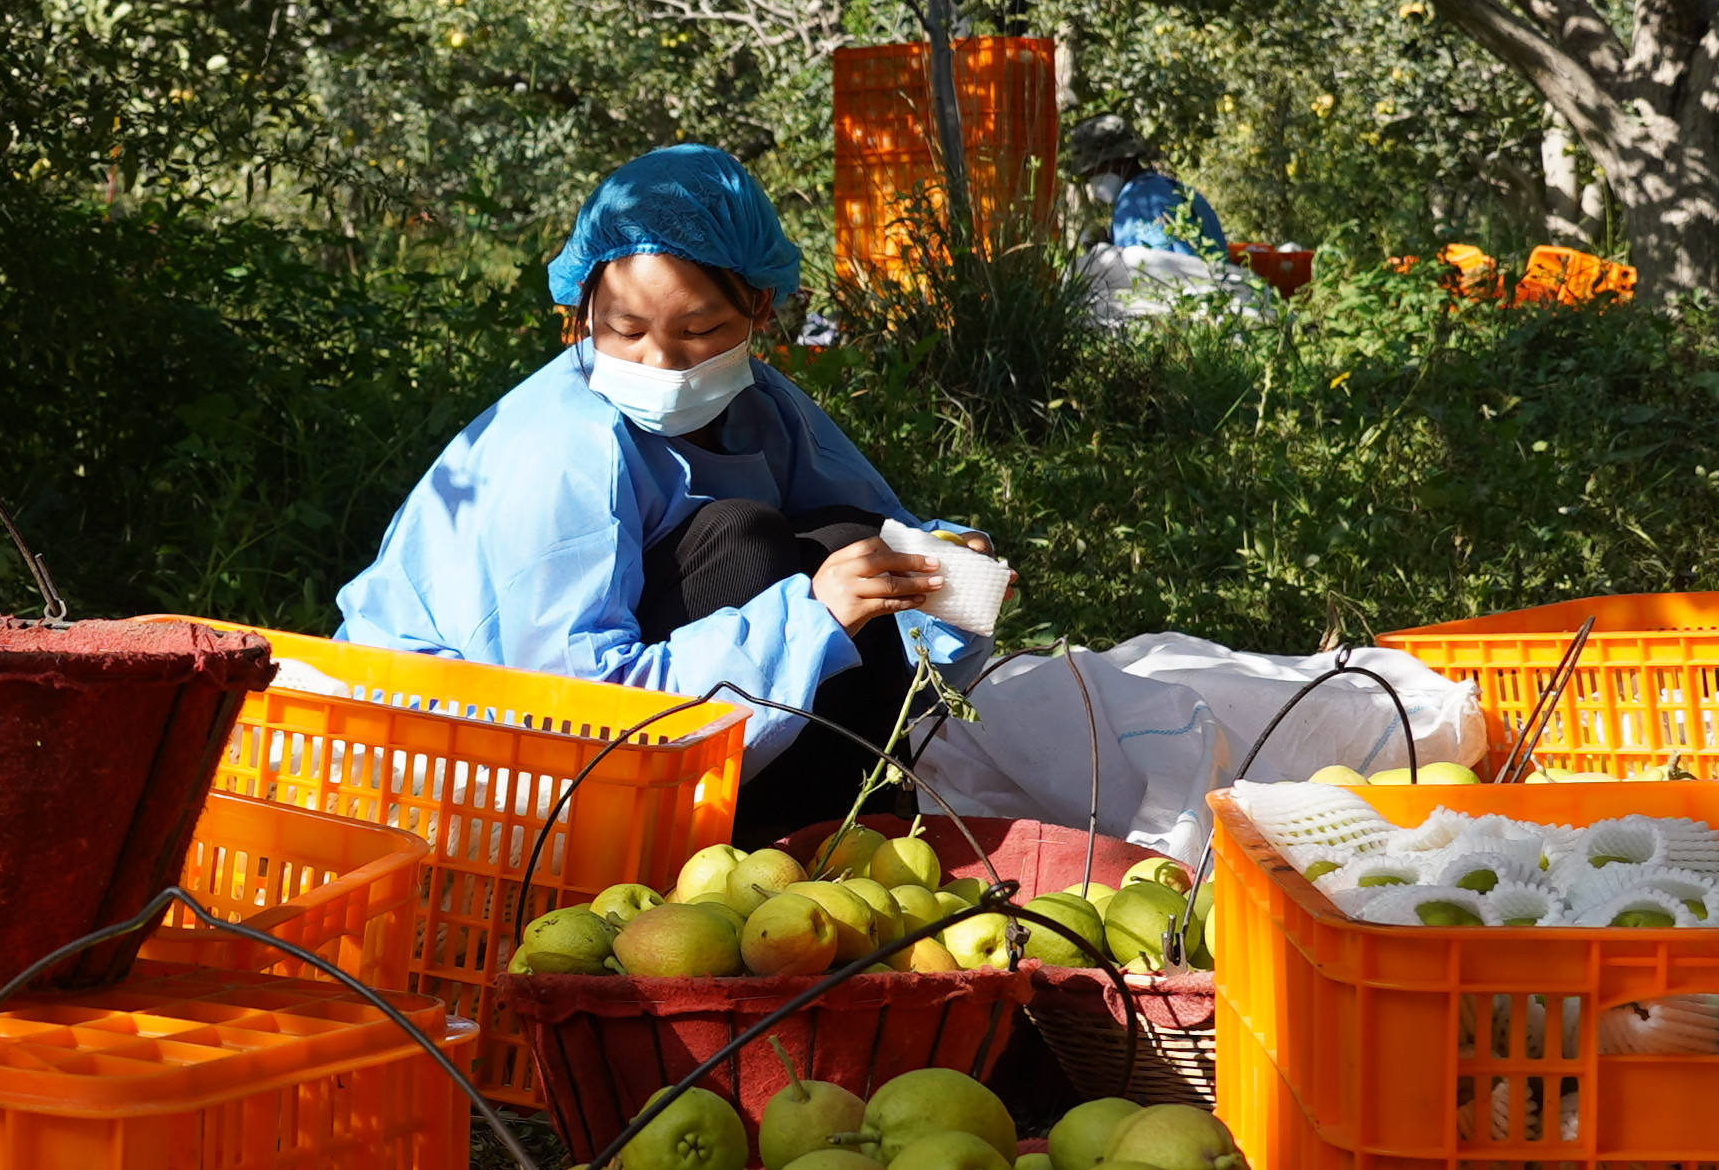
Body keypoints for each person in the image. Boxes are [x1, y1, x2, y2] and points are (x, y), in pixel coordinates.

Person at [332, 145, 1003, 840]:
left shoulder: (765, 410)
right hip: (459, 760)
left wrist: (943, 572)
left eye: (700, 330)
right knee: (746, 540)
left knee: (850, 544)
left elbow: (872, 537)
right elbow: (575, 713)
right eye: (625, 329)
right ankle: (749, 849)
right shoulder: (561, 452)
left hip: (621, 718)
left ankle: (824, 844)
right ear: (583, 309)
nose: (661, 361)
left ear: (760, 307)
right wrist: (809, 618)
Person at [1065, 114, 1231, 257]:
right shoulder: (1176, 189)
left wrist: (1104, 256)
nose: (1092, 179)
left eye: (1094, 171)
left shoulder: (1134, 203)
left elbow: (1147, 277)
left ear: (1121, 160)